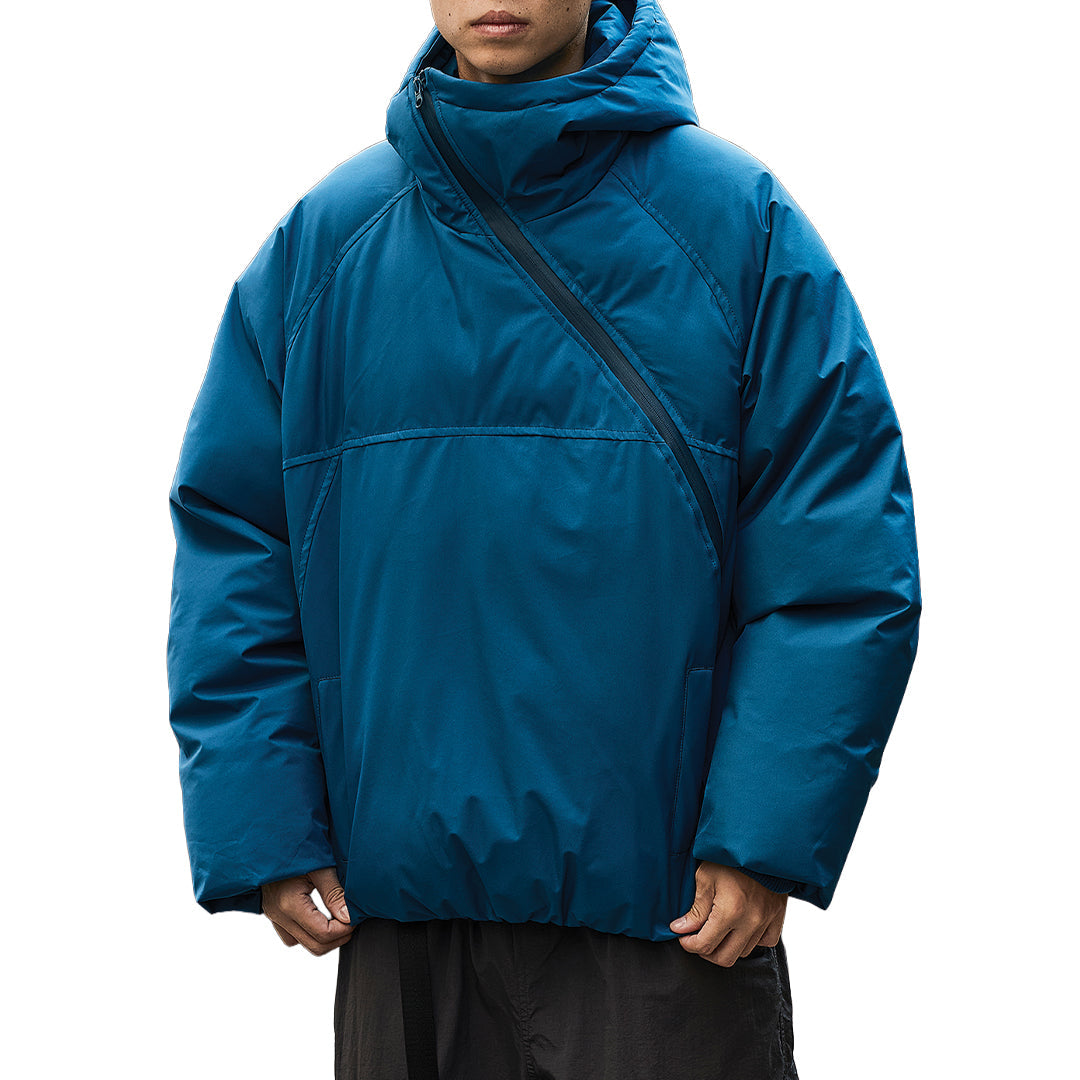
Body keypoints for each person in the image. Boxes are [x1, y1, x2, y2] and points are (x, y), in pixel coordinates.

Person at [166, 1, 921, 1076]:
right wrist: (266, 825)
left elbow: (838, 555)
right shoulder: (325, 242)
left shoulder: (734, 225)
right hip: (404, 927)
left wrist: (765, 836)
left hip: (668, 926)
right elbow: (236, 541)